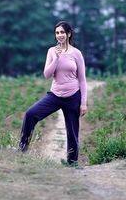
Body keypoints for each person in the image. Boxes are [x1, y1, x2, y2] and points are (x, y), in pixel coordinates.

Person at [18, 20, 87, 166]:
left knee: (72, 133)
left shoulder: (76, 53)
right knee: (30, 114)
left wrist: (83, 103)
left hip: (73, 97)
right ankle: (22, 150)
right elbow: (47, 74)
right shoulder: (51, 51)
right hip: (55, 96)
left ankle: (72, 164)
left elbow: (82, 80)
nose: (59, 35)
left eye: (62, 32)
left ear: (68, 34)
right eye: (57, 33)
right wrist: (56, 58)